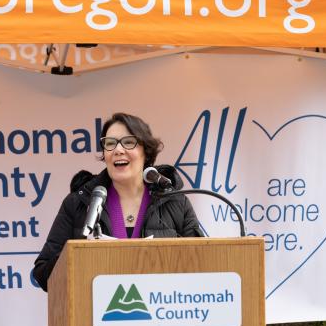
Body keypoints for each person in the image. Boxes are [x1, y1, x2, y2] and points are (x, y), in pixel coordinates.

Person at [32, 112, 203, 291]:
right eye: (110, 143)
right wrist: (79, 254)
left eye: (128, 142)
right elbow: (43, 274)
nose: (118, 150)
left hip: (164, 311)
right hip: (94, 315)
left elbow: (203, 266)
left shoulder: (175, 202)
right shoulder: (78, 203)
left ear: (146, 151)